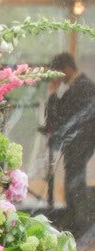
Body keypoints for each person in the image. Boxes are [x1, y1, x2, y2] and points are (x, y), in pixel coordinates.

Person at [43, 51, 95, 225]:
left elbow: (60, 118)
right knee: (73, 178)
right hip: (78, 142)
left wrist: (52, 94)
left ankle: (78, 221)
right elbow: (55, 119)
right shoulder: (78, 87)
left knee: (74, 180)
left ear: (66, 69)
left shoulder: (82, 88)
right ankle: (75, 219)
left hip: (80, 143)